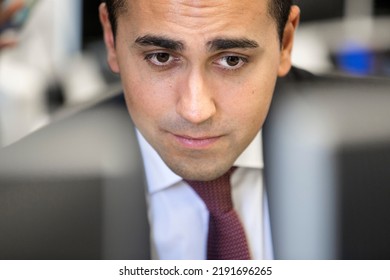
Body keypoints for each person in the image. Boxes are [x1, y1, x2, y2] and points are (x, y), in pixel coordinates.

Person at [0, 0, 304, 260]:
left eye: (232, 60)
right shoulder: (16, 199)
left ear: (286, 42)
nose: (196, 111)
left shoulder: (351, 150)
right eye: (161, 57)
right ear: (110, 38)